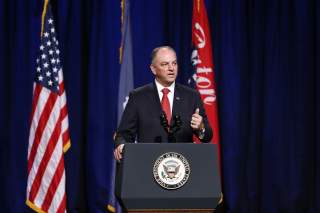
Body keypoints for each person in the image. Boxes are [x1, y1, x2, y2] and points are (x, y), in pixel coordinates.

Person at [114, 46, 212, 161]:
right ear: (153, 69)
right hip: (148, 164)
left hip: (183, 166)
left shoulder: (191, 96)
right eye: (165, 64)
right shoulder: (138, 97)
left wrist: (201, 127)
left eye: (174, 63)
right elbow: (123, 134)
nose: (171, 68)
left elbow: (207, 136)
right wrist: (121, 145)